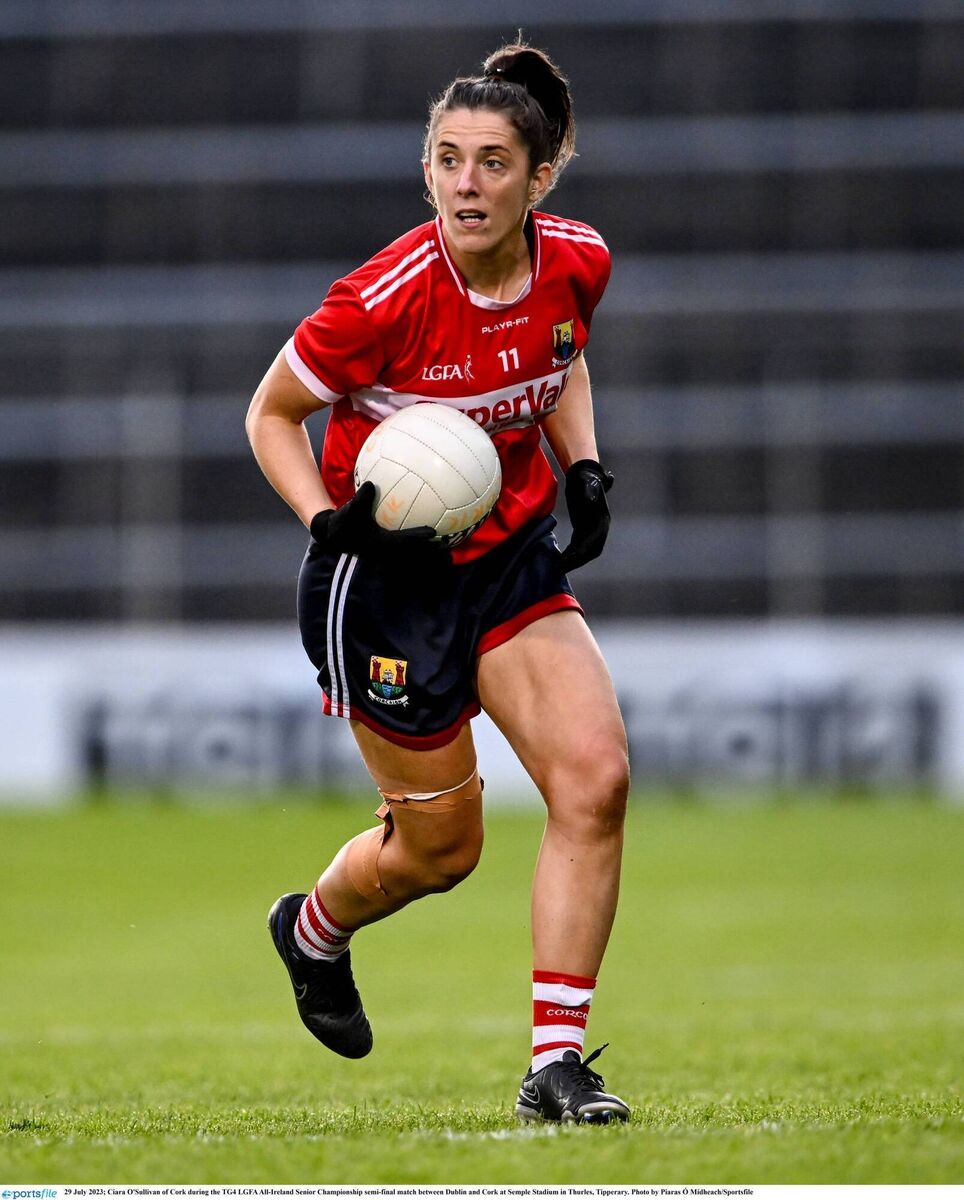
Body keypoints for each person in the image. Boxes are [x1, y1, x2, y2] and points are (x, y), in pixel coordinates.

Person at [246, 41, 630, 1125]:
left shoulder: (579, 260)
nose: (466, 182)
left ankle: (554, 1065)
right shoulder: (379, 299)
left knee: (594, 781)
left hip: (502, 559)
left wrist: (581, 463)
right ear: (427, 172)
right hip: (380, 586)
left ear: (537, 180)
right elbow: (270, 416)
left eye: (493, 162)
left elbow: (556, 355)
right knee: (440, 850)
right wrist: (334, 526)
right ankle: (312, 930)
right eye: (448, 159)